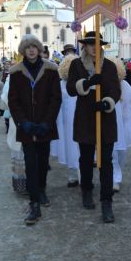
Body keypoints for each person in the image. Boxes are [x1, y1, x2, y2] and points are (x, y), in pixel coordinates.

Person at [66, 31, 121, 223]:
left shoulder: (110, 66)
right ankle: (87, 190)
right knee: (86, 158)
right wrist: (88, 83)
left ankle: (106, 201)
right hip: (85, 118)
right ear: (85, 46)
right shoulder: (76, 64)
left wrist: (107, 102)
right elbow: (70, 89)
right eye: (90, 44)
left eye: (97, 45)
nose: (94, 48)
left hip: (105, 119)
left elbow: (116, 90)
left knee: (106, 161)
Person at [8, 34, 62, 225]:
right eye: (27, 47)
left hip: (45, 125)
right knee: (30, 163)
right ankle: (34, 202)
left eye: (34, 47)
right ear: (23, 51)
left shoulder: (51, 70)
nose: (31, 50)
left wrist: (48, 122)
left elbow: (56, 98)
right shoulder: (16, 72)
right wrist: (22, 123)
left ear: (39, 50)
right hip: (27, 127)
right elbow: (13, 101)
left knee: (43, 160)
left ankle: (41, 188)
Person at [108, 57, 131, 193]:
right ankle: (114, 178)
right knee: (111, 152)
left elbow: (130, 104)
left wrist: (127, 117)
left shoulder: (125, 86)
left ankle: (117, 173)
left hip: (122, 125)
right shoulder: (102, 86)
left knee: (121, 152)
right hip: (108, 125)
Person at [53, 54, 80, 188]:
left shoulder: (81, 84)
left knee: (82, 148)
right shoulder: (60, 85)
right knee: (70, 147)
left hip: (81, 120)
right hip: (66, 123)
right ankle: (72, 175)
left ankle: (83, 175)